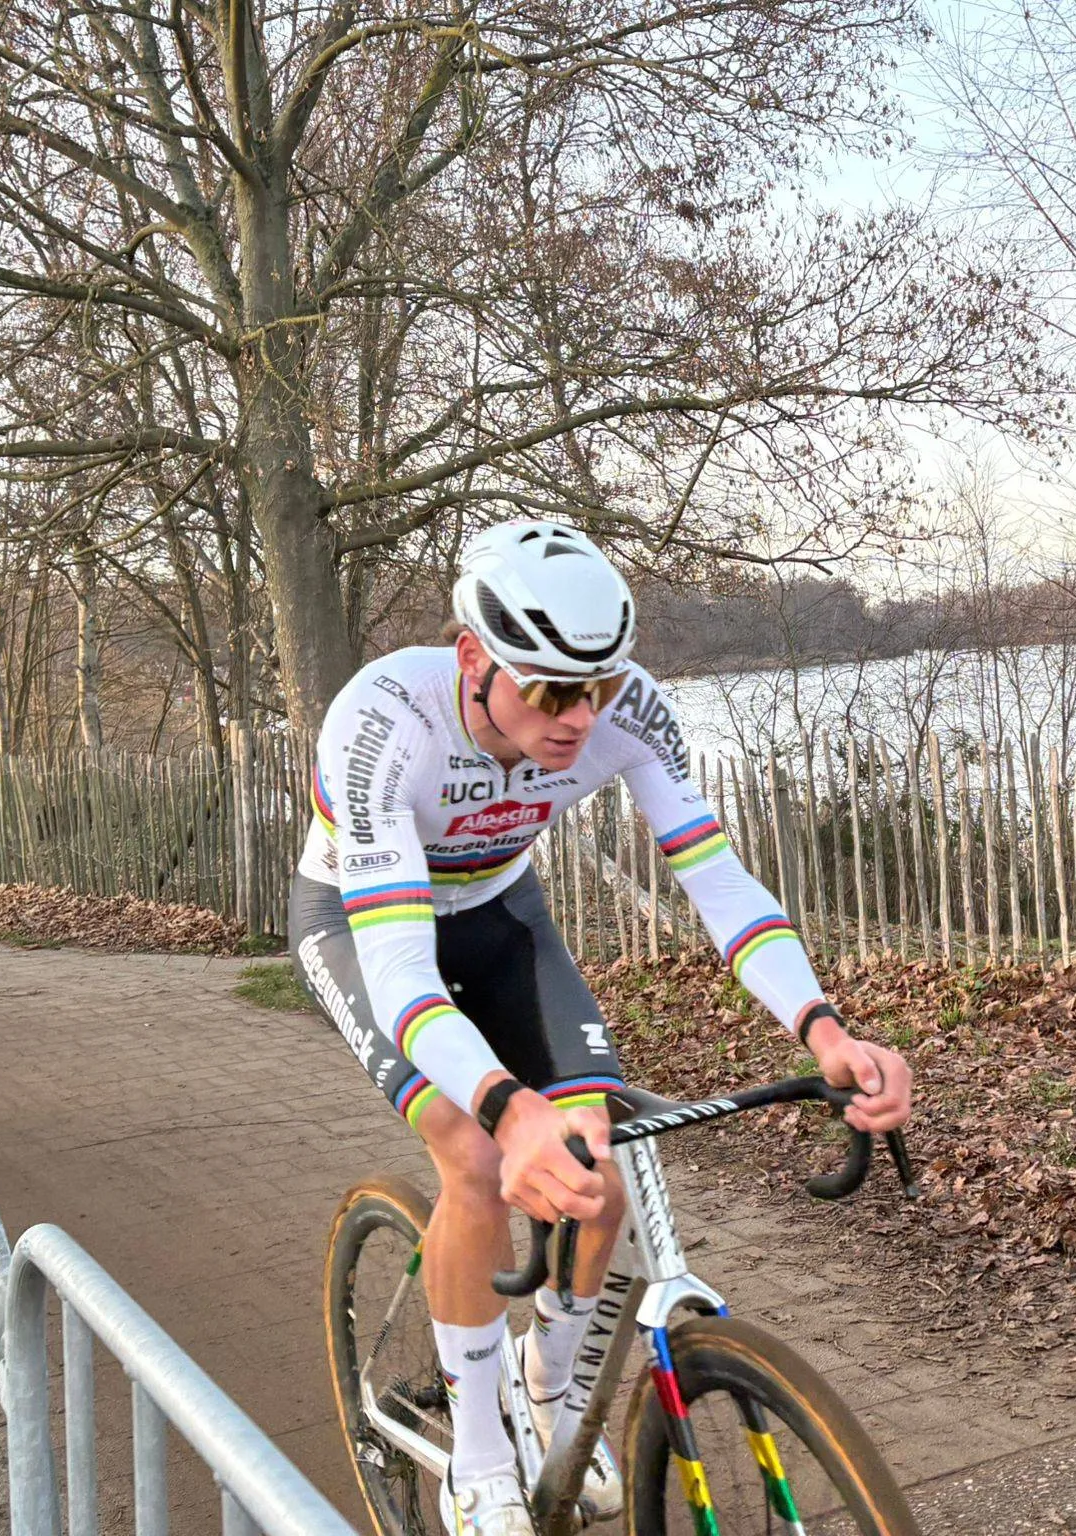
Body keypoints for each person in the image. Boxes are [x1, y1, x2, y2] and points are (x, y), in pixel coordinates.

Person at [290, 521, 913, 1535]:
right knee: (478, 1159)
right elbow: (403, 975)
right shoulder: (382, 722)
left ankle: (547, 1378)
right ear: (471, 659)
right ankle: (480, 1464)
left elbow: (715, 880)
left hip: (499, 916)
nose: (579, 718)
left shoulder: (626, 710)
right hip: (366, 929)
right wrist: (503, 1106)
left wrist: (823, 1027)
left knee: (598, 1176)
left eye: (601, 688)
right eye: (548, 692)